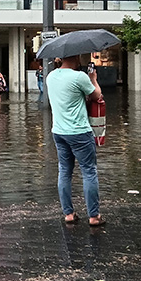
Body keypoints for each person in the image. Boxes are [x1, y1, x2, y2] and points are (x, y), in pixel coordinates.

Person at [47, 55, 104, 226]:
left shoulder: (51, 76)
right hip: (79, 132)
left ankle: (69, 214)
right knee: (89, 172)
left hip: (58, 131)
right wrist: (93, 79)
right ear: (76, 57)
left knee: (64, 171)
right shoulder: (79, 77)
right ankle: (94, 216)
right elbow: (97, 96)